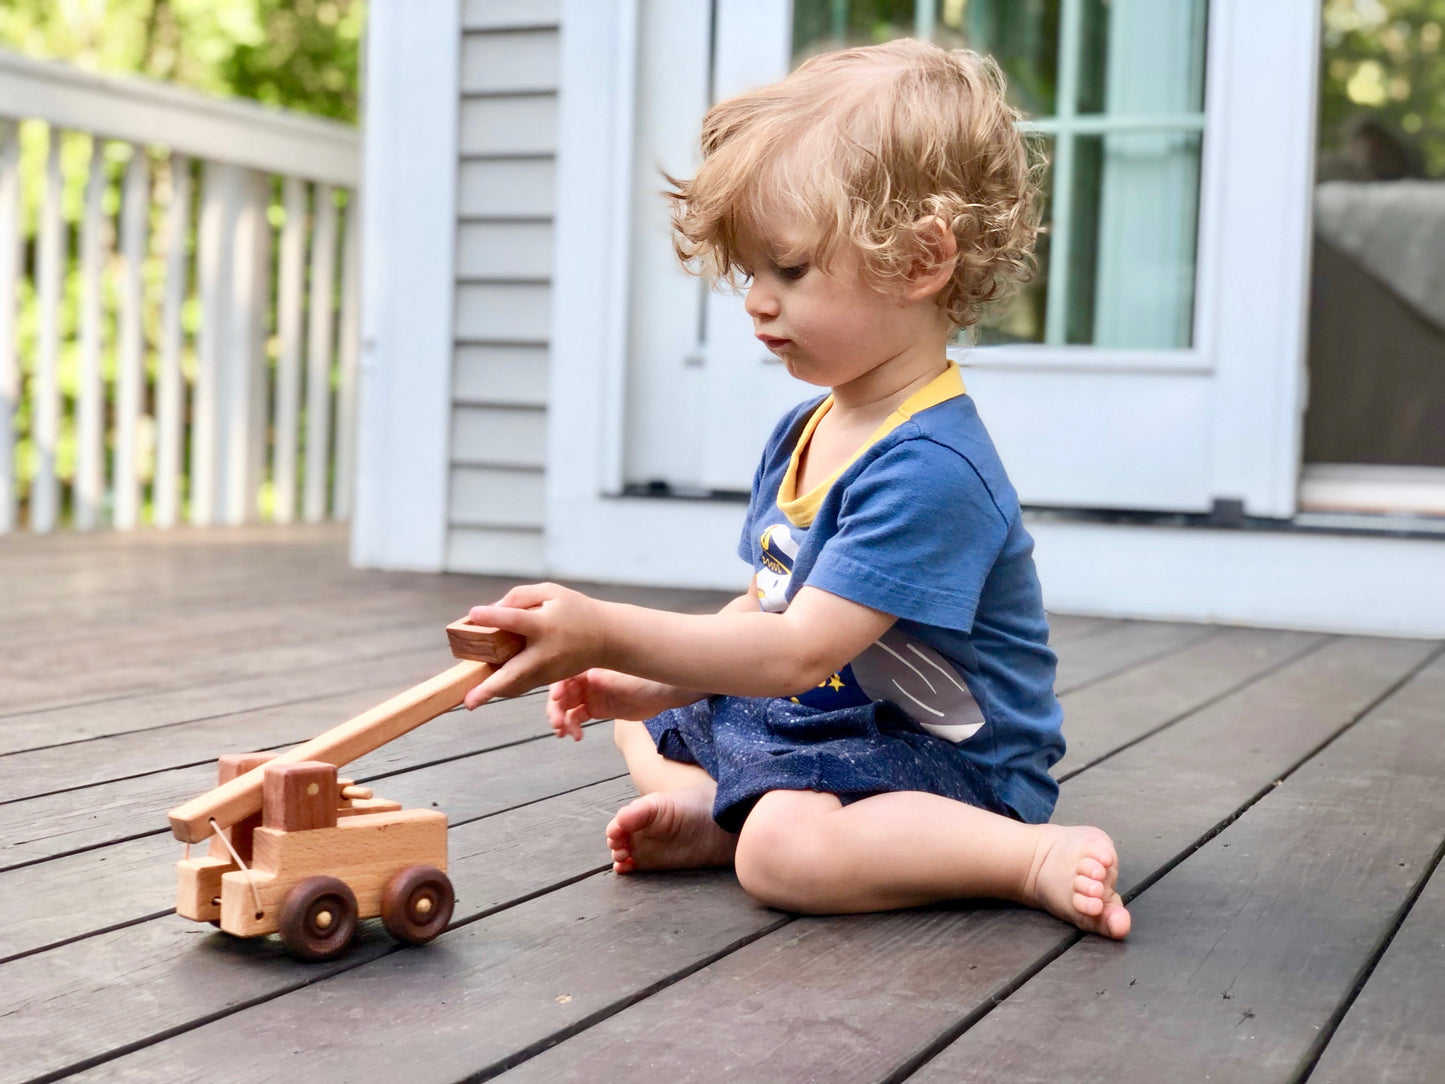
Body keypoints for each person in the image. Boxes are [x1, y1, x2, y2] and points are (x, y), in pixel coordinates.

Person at [463, 38, 1131, 939]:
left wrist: (605, 624)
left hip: (945, 758)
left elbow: (793, 655)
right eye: (748, 274)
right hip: (833, 719)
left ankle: (1023, 856)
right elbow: (765, 607)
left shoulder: (931, 466)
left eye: (788, 269)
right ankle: (721, 815)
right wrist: (649, 680)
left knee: (783, 857)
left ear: (920, 261)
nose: (754, 303)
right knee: (639, 716)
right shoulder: (809, 427)